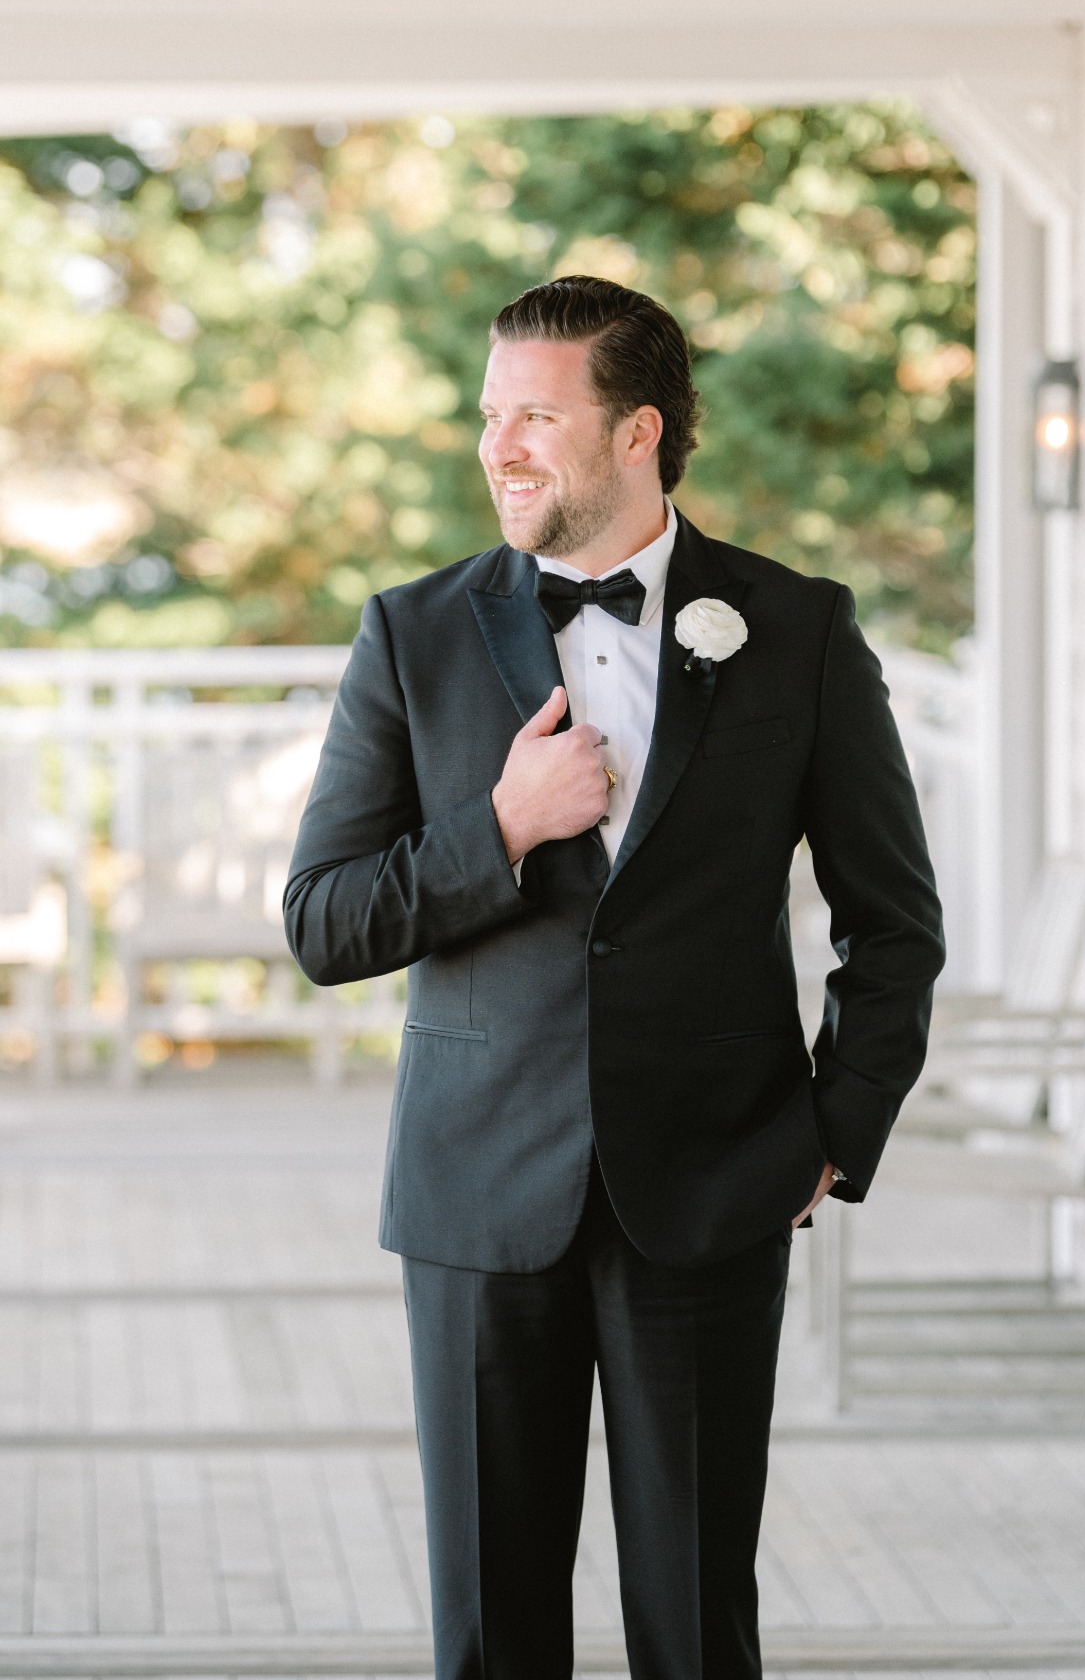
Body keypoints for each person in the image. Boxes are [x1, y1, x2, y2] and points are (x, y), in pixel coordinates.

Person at [285, 274, 944, 1680]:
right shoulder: (411, 634)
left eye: (535, 416)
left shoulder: (800, 628)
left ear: (639, 431)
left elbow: (893, 925)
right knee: (490, 1635)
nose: (497, 446)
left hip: (712, 1191)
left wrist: (834, 1132)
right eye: (488, 415)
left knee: (700, 1629)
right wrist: (502, 828)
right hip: (474, 1194)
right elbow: (324, 921)